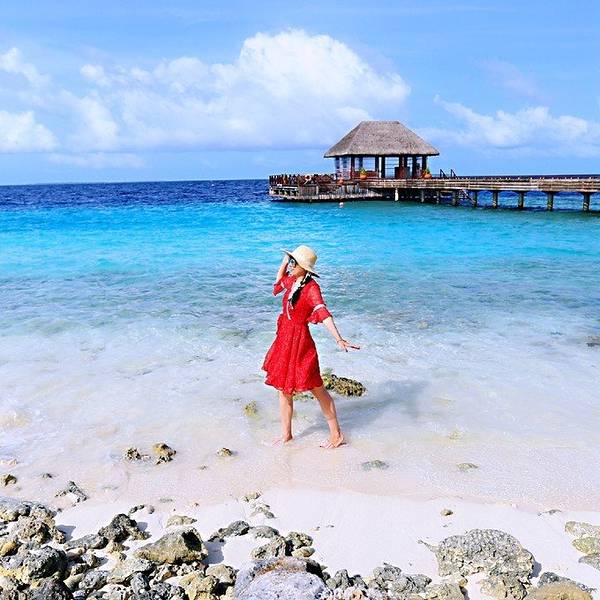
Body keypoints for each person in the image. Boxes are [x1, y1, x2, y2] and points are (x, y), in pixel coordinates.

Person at [262, 245, 359, 449]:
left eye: (294, 262)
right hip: (284, 340)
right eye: (291, 261)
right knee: (283, 390)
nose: (291, 265)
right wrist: (284, 262)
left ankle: (337, 435)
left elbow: (322, 312)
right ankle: (287, 435)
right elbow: (277, 284)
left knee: (317, 389)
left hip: (300, 343)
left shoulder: (311, 288)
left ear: (304, 267)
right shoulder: (292, 281)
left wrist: (339, 339)